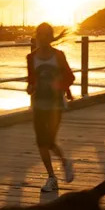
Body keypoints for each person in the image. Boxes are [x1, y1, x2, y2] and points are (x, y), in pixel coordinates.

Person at [26, 22, 75, 192]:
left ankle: (65, 162)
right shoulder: (31, 58)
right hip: (38, 103)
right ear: (37, 36)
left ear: (51, 37)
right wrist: (30, 87)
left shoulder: (58, 56)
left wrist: (59, 86)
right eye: (40, 35)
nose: (43, 38)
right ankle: (52, 178)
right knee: (41, 141)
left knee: (50, 140)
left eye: (47, 35)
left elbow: (70, 77)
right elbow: (31, 80)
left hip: (55, 104)